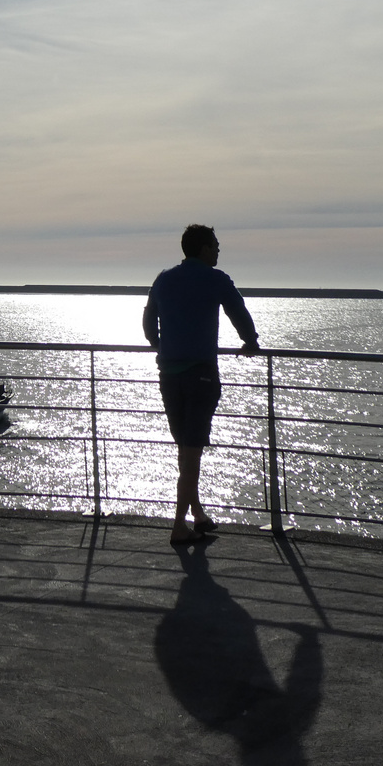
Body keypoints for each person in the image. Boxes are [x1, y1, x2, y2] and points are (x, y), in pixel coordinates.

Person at [143, 224, 260, 544]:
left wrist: (162, 345)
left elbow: (148, 322)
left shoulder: (164, 279)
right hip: (201, 375)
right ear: (204, 248)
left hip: (168, 374)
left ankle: (197, 513)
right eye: (216, 245)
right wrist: (251, 342)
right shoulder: (216, 279)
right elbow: (239, 314)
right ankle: (179, 525)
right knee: (192, 451)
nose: (219, 250)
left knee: (186, 447)